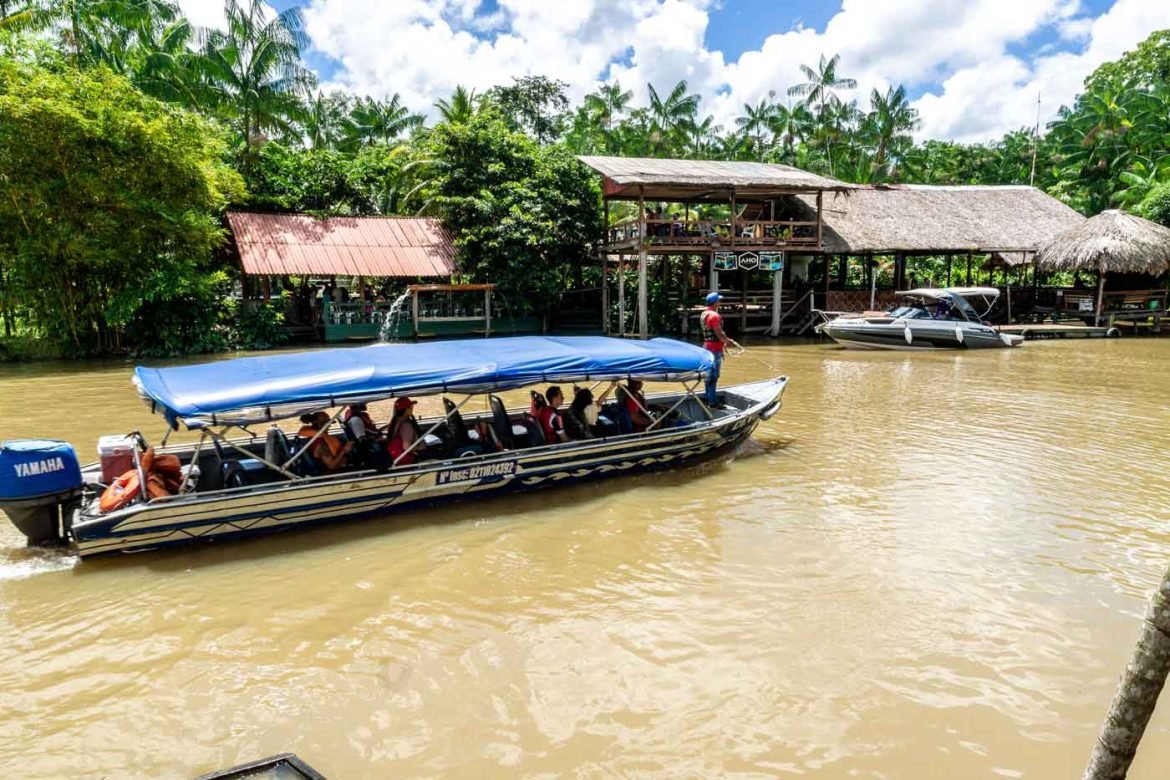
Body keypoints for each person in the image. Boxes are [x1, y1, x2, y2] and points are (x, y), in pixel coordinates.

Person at [700, 292, 736, 408]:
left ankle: (708, 398)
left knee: (708, 375)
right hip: (714, 349)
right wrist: (728, 341)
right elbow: (719, 333)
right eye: (719, 301)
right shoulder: (715, 316)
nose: (720, 302)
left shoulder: (704, 314)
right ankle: (712, 402)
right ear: (715, 302)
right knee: (713, 376)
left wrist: (724, 342)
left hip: (706, 347)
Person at [386, 397, 426, 465]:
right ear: (407, 409)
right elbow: (406, 448)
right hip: (406, 459)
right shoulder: (406, 425)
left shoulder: (395, 421)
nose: (412, 408)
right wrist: (421, 447)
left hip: (395, 456)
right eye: (411, 406)